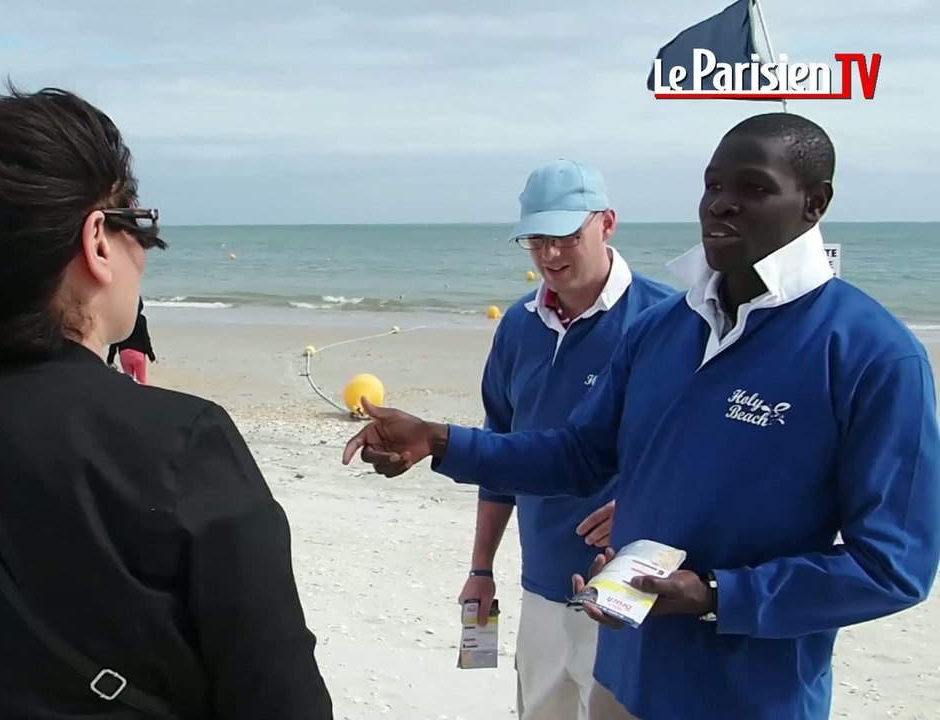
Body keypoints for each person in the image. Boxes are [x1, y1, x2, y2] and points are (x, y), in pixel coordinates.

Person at [341, 112, 940, 720]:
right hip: (622, 674)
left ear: (815, 203)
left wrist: (714, 596)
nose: (722, 206)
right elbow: (577, 454)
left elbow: (892, 565)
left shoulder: (873, 354)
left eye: (753, 188)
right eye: (713, 186)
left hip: (749, 696)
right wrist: (439, 441)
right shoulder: (665, 329)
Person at [0, 85, 332, 720]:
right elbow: (281, 698)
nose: (145, 254)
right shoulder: (184, 445)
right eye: (140, 225)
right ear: (98, 242)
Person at [459, 159, 675, 720]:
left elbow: (701, 452)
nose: (550, 255)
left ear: (607, 223)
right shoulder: (517, 326)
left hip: (631, 590)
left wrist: (642, 504)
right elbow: (499, 450)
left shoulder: (668, 320)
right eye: (537, 240)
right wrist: (481, 569)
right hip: (540, 583)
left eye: (566, 237)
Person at [108, 296, 156, 384]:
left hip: (124, 354)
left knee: (129, 382)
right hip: (138, 354)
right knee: (141, 381)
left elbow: (115, 339)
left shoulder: (122, 319)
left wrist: (110, 359)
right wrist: (151, 355)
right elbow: (145, 338)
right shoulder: (141, 319)